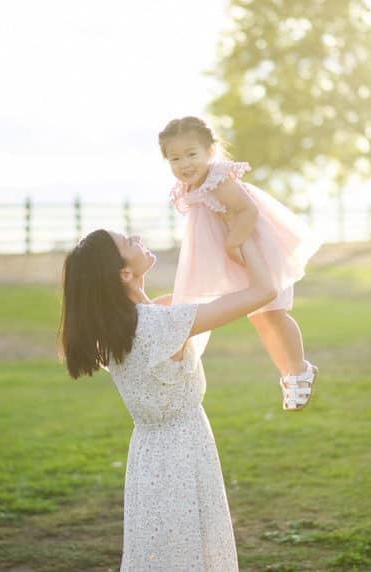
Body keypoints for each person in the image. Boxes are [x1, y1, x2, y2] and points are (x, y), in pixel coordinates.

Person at [61, 228, 277, 571]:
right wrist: (244, 235)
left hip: (148, 452)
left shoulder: (115, 328)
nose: (136, 236)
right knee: (189, 549)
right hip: (182, 450)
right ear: (124, 273)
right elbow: (265, 291)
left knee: (163, 549)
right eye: (128, 242)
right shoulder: (162, 323)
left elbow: (196, 291)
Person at [159, 116, 322, 411]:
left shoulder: (217, 178)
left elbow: (247, 211)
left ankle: (299, 370)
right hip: (236, 252)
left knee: (273, 313)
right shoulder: (191, 185)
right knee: (259, 317)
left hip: (254, 246)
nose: (184, 164)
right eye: (175, 158)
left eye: (191, 154)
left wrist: (234, 241)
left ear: (211, 151)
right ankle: (288, 373)